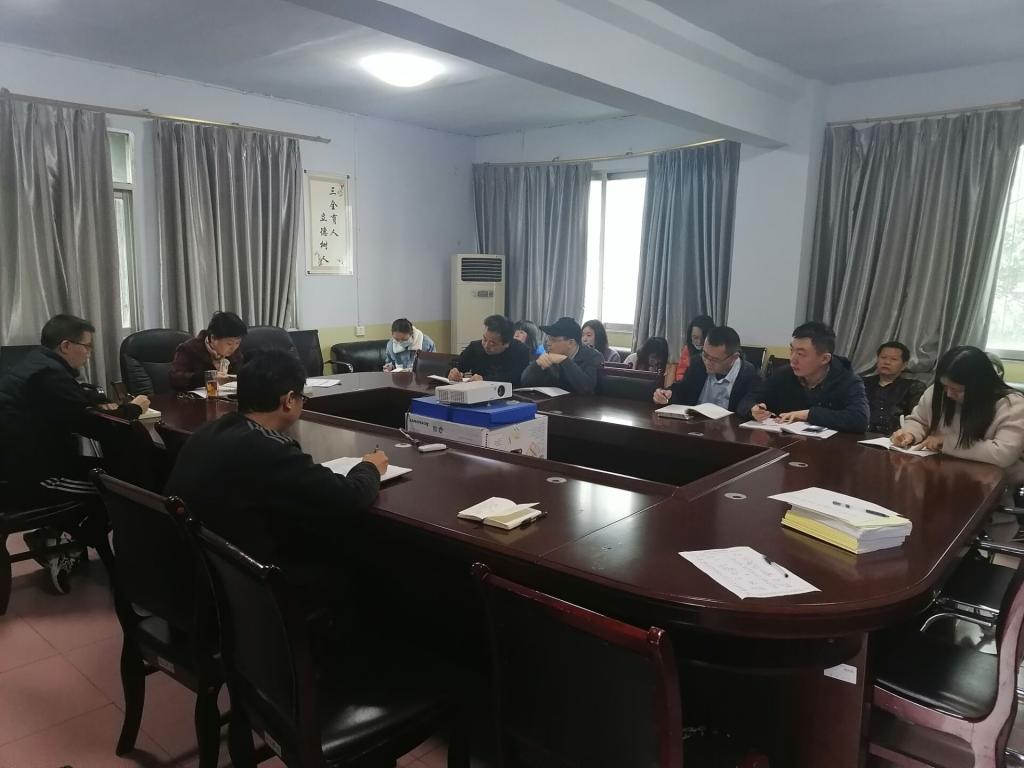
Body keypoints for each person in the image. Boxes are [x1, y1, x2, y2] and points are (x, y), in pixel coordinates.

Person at [165, 350, 389, 573]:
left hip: (195, 566)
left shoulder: (207, 431)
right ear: (289, 400)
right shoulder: (268, 449)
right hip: (253, 576)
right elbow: (348, 498)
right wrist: (370, 467)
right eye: (302, 398)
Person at [0, 314, 150, 593]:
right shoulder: (48, 376)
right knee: (121, 488)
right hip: (33, 477)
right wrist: (133, 409)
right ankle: (65, 545)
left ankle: (56, 536)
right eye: (87, 346)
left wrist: (98, 400)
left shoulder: (37, 363)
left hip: (27, 464)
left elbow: (73, 398)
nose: (89, 353)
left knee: (118, 473)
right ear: (66, 346)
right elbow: (94, 426)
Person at [891, 347, 1024, 480]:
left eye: (957, 389)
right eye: (945, 386)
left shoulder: (1011, 404)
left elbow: (1003, 453)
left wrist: (946, 442)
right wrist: (910, 433)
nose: (949, 394)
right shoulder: (938, 392)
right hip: (939, 472)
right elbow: (919, 420)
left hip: (992, 481)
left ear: (979, 386)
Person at [737, 321, 869, 433]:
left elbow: (860, 419)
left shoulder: (848, 380)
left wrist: (808, 414)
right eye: (791, 350)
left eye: (801, 354)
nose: (792, 359)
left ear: (824, 359)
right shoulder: (783, 374)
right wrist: (753, 410)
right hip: (785, 445)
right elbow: (746, 401)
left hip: (830, 450)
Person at [653, 326, 760, 411]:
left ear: (734, 357)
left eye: (714, 360)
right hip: (693, 424)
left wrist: (753, 410)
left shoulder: (747, 373)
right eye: (705, 354)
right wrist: (666, 395)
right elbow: (683, 390)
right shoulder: (698, 362)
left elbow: (747, 405)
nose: (707, 362)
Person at [520, 317, 603, 394]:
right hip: (555, 402)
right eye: (548, 339)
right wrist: (536, 365)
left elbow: (587, 388)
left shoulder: (593, 356)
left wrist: (565, 361)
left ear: (570, 343)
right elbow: (526, 382)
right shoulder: (550, 355)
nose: (548, 343)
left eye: (553, 340)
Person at [168, 311, 247, 391]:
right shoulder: (189, 349)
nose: (234, 347)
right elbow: (175, 378)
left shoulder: (234, 352)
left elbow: (241, 374)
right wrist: (208, 377)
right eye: (229, 343)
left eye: (237, 343)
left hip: (227, 396)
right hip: (195, 398)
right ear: (213, 338)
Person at [447, 315, 531, 387]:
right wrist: (452, 372)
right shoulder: (475, 347)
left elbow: (515, 378)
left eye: (492, 343)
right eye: (484, 339)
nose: (486, 346)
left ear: (506, 343)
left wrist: (484, 380)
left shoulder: (520, 351)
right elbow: (456, 364)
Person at [862, 341, 926, 435]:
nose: (887, 362)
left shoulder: (913, 387)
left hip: (894, 437)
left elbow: (917, 419)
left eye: (894, 359)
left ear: (904, 365)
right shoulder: (861, 384)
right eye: (883, 357)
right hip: (860, 433)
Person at [674, 314, 714, 381]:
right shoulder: (687, 349)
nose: (699, 342)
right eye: (695, 337)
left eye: (703, 338)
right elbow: (680, 373)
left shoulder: (715, 351)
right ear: (690, 336)